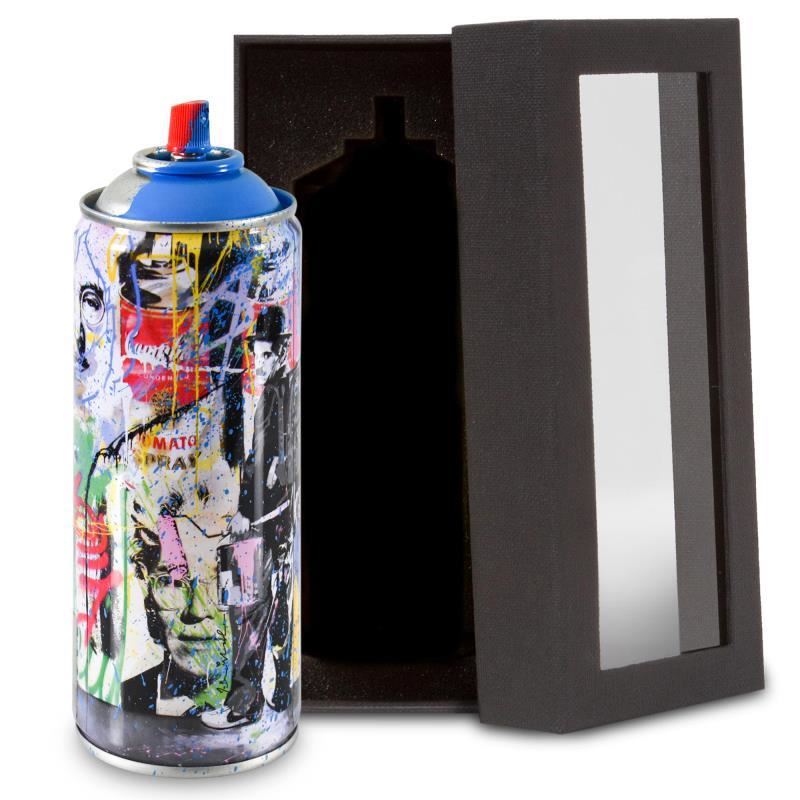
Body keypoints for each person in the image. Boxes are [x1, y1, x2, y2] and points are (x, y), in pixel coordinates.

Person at [201, 305, 298, 729]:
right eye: (256, 354)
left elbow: (269, 463)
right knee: (273, 602)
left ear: (281, 351)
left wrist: (245, 511)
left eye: (266, 354)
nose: (259, 363)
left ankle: (244, 704)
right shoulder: (284, 388)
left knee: (247, 607)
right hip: (279, 518)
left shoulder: (276, 393)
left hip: (263, 518)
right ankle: (276, 693)